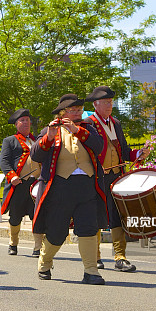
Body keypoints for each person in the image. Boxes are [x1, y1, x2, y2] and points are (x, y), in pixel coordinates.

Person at [30, 94, 107, 284]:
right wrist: (49, 136)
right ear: (63, 112)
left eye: (79, 110)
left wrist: (78, 131)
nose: (77, 114)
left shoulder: (88, 128)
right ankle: (45, 262)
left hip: (86, 185)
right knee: (57, 232)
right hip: (60, 187)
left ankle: (91, 271)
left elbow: (99, 147)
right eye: (73, 111)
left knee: (88, 229)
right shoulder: (50, 129)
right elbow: (36, 154)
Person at [84, 86, 150, 273]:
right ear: (96, 104)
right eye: (106, 102)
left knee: (117, 216)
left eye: (111, 102)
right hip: (98, 177)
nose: (109, 105)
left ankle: (120, 257)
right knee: (97, 215)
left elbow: (125, 151)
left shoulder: (116, 123)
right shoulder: (89, 123)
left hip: (117, 176)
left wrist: (139, 153)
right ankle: (96, 256)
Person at [0, 108, 44, 256]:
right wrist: (12, 176)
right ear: (16, 124)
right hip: (19, 184)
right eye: (22, 120)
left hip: (35, 185)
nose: (26, 123)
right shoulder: (10, 141)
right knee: (15, 216)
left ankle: (38, 247)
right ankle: (13, 243)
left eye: (27, 120)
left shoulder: (36, 140)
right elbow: (4, 162)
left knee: (37, 215)